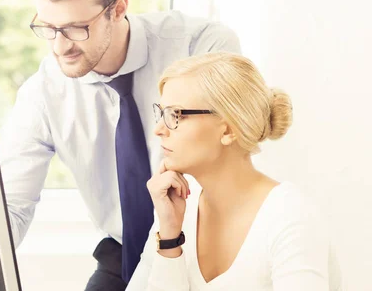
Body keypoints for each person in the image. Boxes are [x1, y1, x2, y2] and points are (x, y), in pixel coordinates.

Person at [0, 0, 240, 289]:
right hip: (123, 253)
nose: (60, 46)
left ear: (118, 8)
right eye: (48, 27)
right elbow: (10, 206)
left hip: (207, 250)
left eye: (75, 28)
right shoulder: (44, 93)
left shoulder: (200, 48)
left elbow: (223, 172)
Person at [141, 52, 342, 290]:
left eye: (176, 115)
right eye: (161, 113)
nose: (158, 129)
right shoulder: (177, 206)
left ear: (227, 131)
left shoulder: (291, 218)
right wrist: (170, 237)